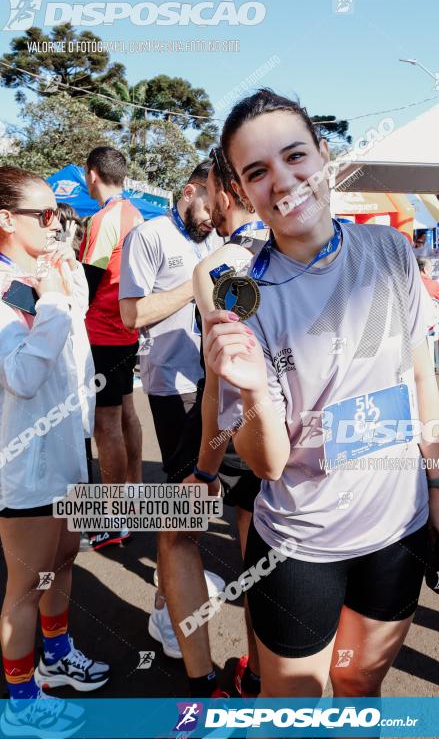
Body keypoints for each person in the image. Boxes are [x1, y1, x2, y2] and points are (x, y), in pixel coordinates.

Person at [204, 89, 439, 698]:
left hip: (398, 528)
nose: (283, 181)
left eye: (295, 156)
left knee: (359, 684)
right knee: (292, 703)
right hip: (299, 543)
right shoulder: (241, 292)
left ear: (324, 155)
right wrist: (254, 393)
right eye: (257, 172)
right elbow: (265, 463)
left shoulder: (392, 251)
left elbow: (422, 379)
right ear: (241, 192)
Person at [0, 166, 108, 734]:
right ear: (5, 220)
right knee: (24, 587)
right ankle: (20, 703)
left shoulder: (43, 276)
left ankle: (58, 656)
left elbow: (73, 358)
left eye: (60, 216)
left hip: (67, 450)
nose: (57, 225)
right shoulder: (3, 288)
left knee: (62, 562)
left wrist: (70, 296)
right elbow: (20, 374)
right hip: (26, 464)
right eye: (45, 216)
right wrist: (55, 306)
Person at [119, 161, 224, 692]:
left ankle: (172, 594)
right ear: (188, 191)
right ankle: (167, 608)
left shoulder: (219, 236)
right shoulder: (150, 234)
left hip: (215, 384)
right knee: (187, 501)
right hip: (173, 386)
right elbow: (131, 315)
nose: (213, 215)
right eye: (208, 202)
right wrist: (197, 285)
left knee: (201, 499)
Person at [191, 148, 268, 697]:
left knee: (257, 564)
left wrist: (205, 462)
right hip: (312, 427)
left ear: (224, 191)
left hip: (248, 425)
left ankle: (260, 680)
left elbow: (222, 373)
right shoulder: (299, 242)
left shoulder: (217, 265)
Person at [81, 146, 144, 549]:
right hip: (126, 328)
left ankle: (113, 515)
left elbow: (88, 282)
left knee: (106, 424)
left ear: (92, 175)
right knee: (125, 414)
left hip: (103, 330)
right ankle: (134, 497)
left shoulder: (105, 218)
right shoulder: (136, 214)